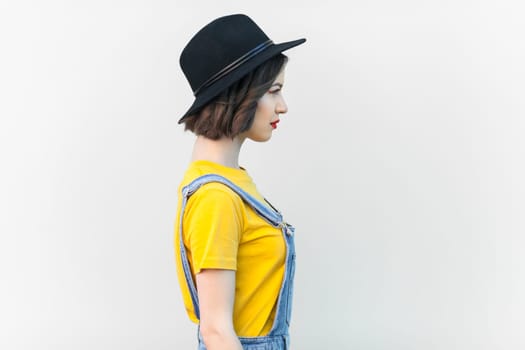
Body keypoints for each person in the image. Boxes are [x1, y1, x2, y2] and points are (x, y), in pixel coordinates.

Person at [174, 14, 306, 350]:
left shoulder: (231, 183)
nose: (283, 106)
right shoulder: (216, 197)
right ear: (241, 94)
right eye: (274, 90)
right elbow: (216, 331)